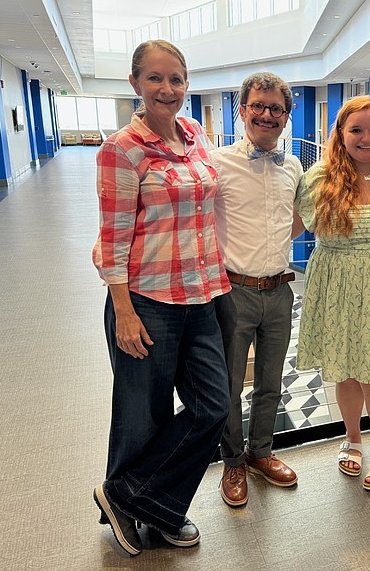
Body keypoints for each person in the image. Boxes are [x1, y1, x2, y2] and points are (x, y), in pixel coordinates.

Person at [91, 40, 231, 556]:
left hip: (201, 296)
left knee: (212, 407)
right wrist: (123, 312)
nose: (167, 89)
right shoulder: (121, 150)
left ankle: (136, 497)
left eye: (176, 79)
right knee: (140, 415)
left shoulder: (194, 134)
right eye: (155, 78)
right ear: (135, 84)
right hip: (146, 301)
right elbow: (112, 238)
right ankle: (139, 508)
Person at [295, 96, 370, 492]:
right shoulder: (319, 178)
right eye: (356, 130)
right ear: (341, 135)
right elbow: (287, 227)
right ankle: (352, 437)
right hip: (334, 283)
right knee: (345, 370)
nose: (366, 138)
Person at [212, 71, 303, 508]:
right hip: (234, 291)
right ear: (243, 110)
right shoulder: (217, 162)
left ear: (287, 116)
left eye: (276, 109)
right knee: (229, 385)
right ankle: (232, 460)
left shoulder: (294, 166)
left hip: (280, 291)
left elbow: (298, 218)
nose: (267, 115)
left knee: (271, 380)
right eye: (259, 106)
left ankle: (261, 452)